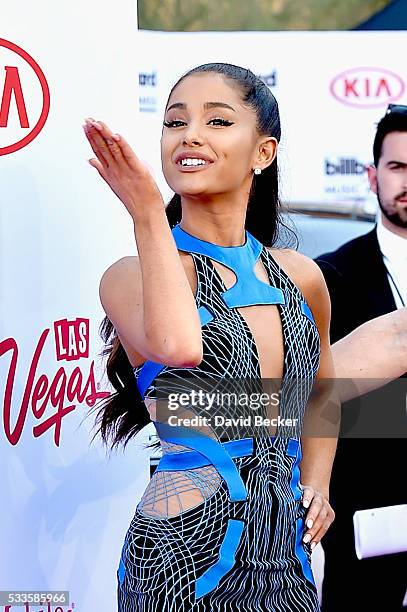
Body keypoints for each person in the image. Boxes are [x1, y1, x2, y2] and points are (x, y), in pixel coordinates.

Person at [84, 63, 338, 611]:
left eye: (217, 121)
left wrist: (317, 481)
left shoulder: (301, 276)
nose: (190, 135)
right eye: (175, 122)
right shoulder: (129, 276)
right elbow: (179, 348)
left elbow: (321, 390)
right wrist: (149, 215)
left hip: (286, 557)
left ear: (262, 153)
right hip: (180, 556)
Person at [315, 104, 407, 612]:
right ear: (373, 176)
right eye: (397, 167)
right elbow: (317, 399)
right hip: (366, 524)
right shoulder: (330, 278)